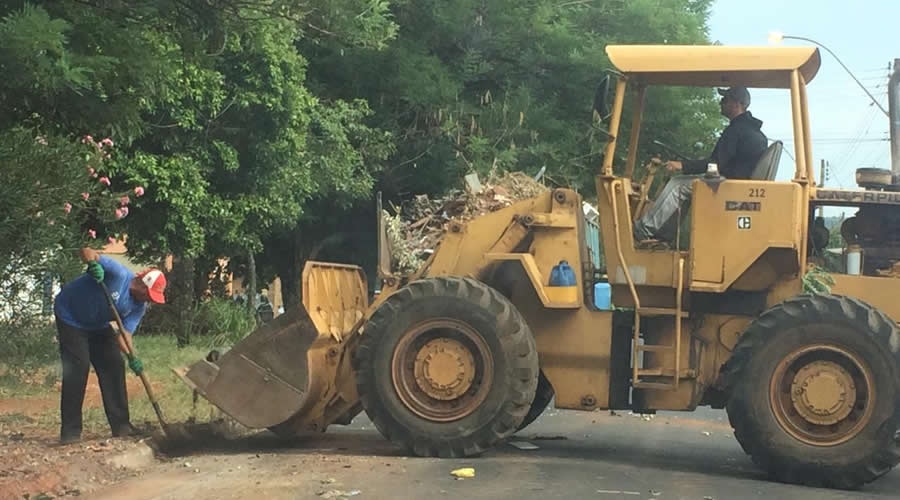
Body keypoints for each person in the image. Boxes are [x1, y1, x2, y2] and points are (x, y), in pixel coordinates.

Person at [53, 247, 167, 444]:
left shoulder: (138, 307)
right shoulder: (118, 274)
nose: (149, 300)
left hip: (98, 325)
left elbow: (125, 336)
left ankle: (121, 426)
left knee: (114, 364)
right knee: (78, 367)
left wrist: (132, 358)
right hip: (70, 316)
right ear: (141, 284)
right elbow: (86, 251)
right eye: (148, 295)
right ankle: (70, 432)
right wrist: (93, 264)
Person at [633, 86, 768, 243]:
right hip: (739, 184)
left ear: (737, 104)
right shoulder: (753, 131)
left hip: (730, 185)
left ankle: (642, 230)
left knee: (678, 185)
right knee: (687, 186)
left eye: (725, 100)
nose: (721, 103)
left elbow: (715, 165)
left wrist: (682, 166)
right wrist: (689, 167)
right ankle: (664, 236)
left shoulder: (736, 130)